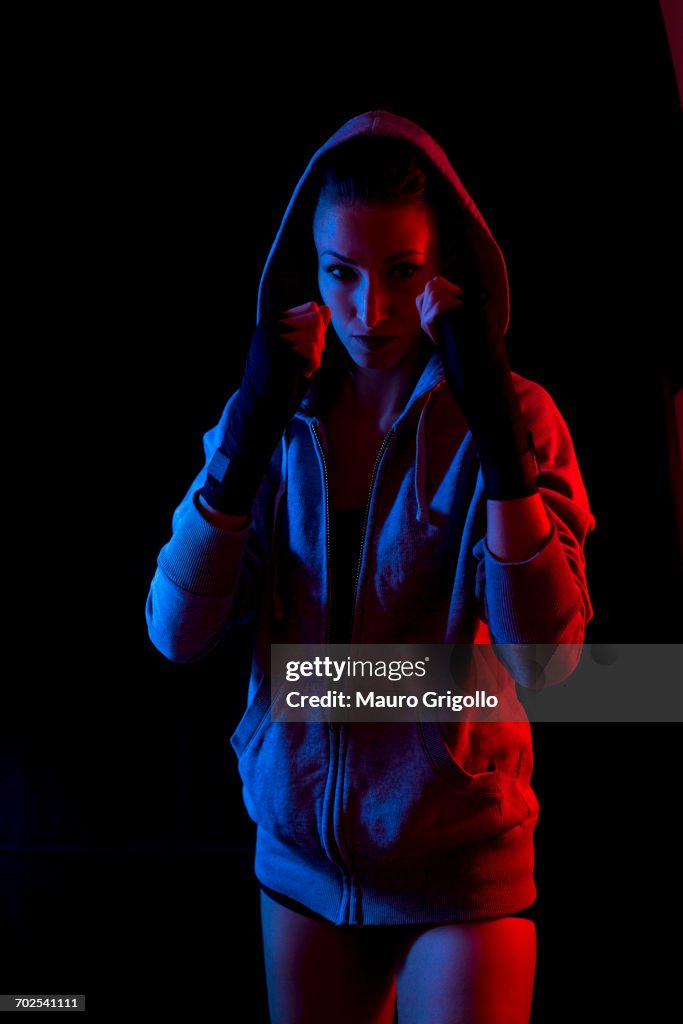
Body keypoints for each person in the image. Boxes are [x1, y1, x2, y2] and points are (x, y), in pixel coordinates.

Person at [146, 110, 596, 1023]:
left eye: (402, 273)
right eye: (340, 275)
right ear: (307, 275)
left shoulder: (519, 417)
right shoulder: (271, 420)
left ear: (447, 274)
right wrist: (240, 447)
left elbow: (549, 666)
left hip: (461, 866)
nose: (370, 311)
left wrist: (503, 455)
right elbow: (176, 633)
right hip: (303, 872)